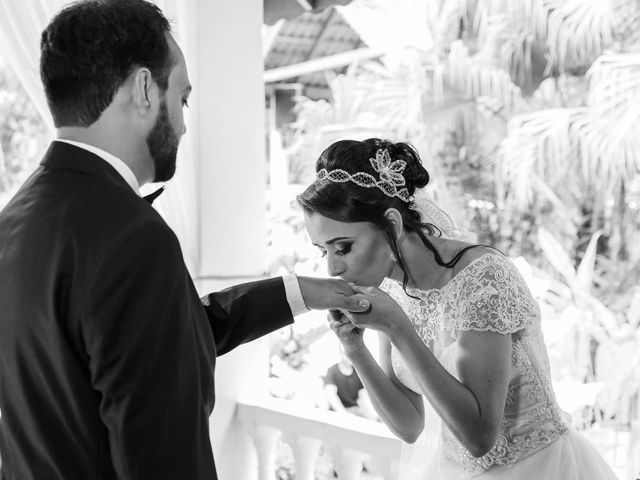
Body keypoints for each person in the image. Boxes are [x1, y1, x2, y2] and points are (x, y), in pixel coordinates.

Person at [0, 2, 370, 479]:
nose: (184, 123)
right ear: (145, 89)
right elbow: (160, 448)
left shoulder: (15, 220)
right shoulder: (131, 236)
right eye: (183, 98)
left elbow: (151, 343)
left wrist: (300, 292)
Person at [297, 138, 619, 479]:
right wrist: (355, 348)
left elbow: (479, 437)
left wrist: (398, 328)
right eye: (323, 251)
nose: (332, 269)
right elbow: (409, 424)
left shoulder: (484, 278)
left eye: (343, 247)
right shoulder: (391, 287)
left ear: (392, 224)